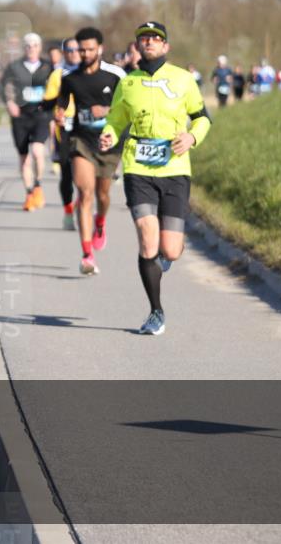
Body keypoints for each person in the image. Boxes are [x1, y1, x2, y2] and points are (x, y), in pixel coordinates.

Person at [99, 21, 212, 335]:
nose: (149, 42)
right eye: (144, 39)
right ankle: (156, 312)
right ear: (137, 46)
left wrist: (191, 138)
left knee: (171, 250)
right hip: (138, 168)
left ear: (166, 47)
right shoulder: (128, 82)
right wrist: (109, 135)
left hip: (175, 169)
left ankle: (164, 258)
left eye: (155, 39)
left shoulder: (183, 79)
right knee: (147, 238)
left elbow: (202, 118)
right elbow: (116, 118)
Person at [53, 27, 126, 274]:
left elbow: (128, 107)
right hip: (81, 141)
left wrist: (105, 112)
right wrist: (60, 114)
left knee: (103, 195)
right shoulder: (70, 77)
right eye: (80, 50)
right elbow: (61, 102)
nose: (84, 54)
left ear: (100, 49)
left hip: (109, 142)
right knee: (85, 193)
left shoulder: (115, 75)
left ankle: (101, 221)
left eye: (89, 49)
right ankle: (87, 255)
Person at [0, 32, 53, 211]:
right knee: (24, 157)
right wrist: (9, 103)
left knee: (38, 151)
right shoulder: (15, 66)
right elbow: (2, 85)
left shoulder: (48, 66)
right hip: (21, 116)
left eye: (35, 45)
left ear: (40, 47)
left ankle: (38, 185)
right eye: (28, 45)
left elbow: (59, 86)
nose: (31, 48)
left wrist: (54, 106)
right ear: (24, 48)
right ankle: (29, 193)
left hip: (41, 114)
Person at [43, 37, 81, 230]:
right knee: (67, 176)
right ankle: (68, 211)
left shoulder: (89, 72)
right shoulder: (58, 75)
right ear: (64, 53)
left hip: (86, 130)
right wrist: (55, 114)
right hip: (64, 129)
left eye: (77, 49)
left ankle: (82, 206)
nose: (74, 53)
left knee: (85, 176)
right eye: (70, 50)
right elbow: (47, 102)